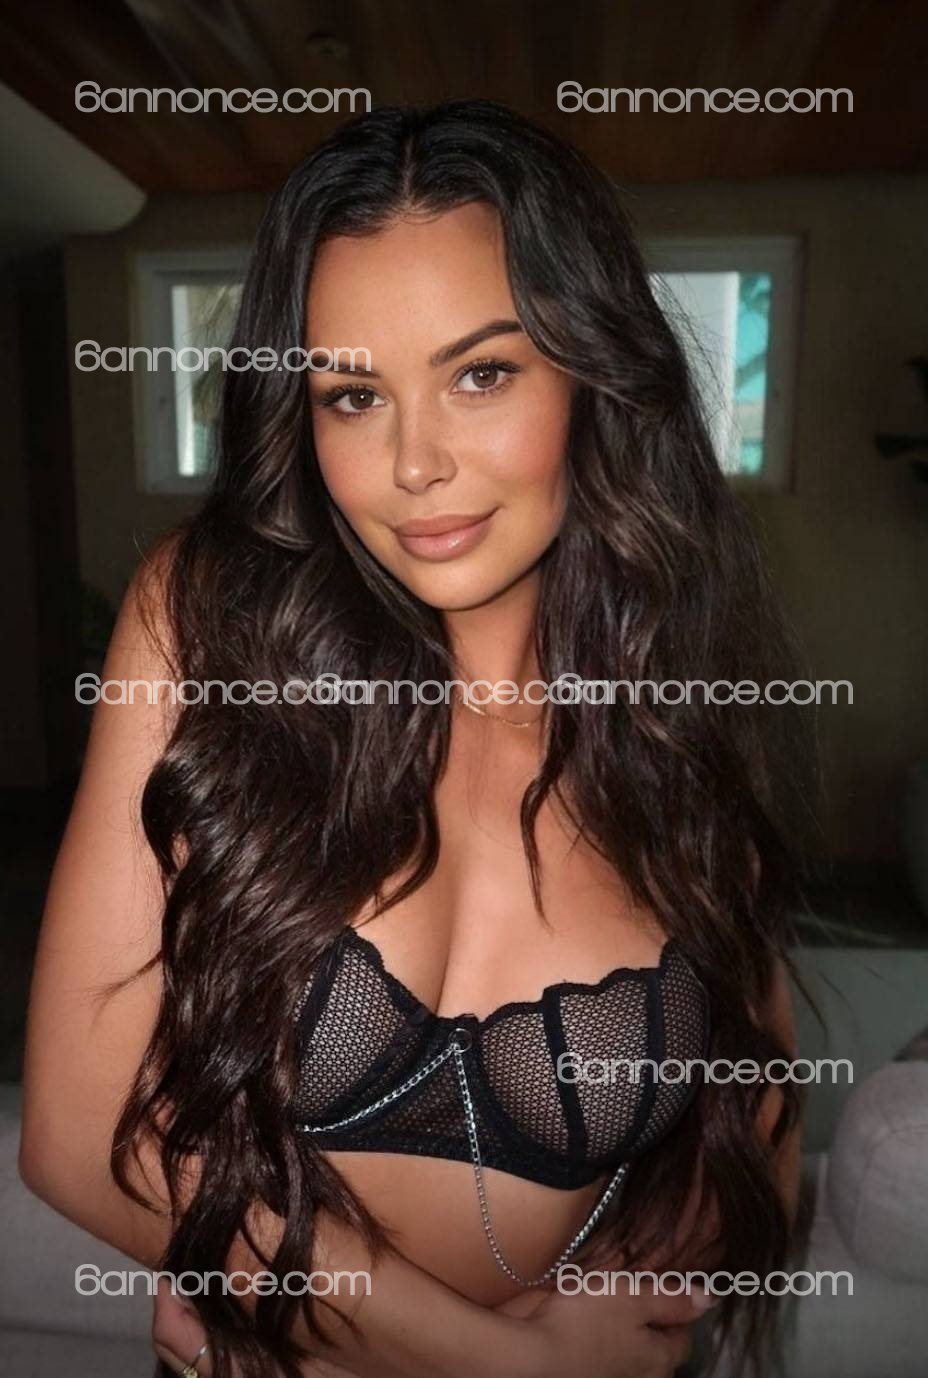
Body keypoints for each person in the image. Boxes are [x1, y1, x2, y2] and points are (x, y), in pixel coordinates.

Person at [20, 99, 816, 1378]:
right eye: (351, 395)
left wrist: (634, 1284)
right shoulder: (210, 623)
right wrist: (512, 1362)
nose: (413, 463)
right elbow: (75, 1133)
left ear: (593, 374)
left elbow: (756, 1119)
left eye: (481, 374)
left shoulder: (671, 702)